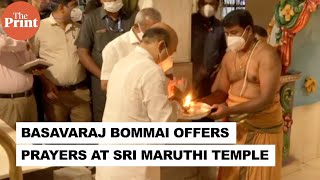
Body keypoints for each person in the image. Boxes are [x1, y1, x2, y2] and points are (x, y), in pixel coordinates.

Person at [202, 10, 283, 180]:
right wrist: (198, 104)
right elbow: (221, 92)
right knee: (231, 175)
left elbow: (266, 99)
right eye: (227, 33)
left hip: (262, 127)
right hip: (236, 125)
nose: (230, 38)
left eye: (234, 33)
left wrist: (229, 111)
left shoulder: (267, 55)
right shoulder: (229, 57)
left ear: (249, 30)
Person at [96, 24, 180, 180]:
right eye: (171, 52)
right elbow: (164, 122)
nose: (169, 58)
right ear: (161, 45)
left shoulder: (122, 63)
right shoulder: (152, 71)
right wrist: (177, 104)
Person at [30, 0, 92, 122]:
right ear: (62, 7)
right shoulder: (39, 28)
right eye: (74, 5)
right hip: (54, 95)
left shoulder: (79, 28)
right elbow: (33, 61)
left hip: (81, 93)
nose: (77, 9)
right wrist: (46, 83)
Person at [75, 0, 136, 122]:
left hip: (129, 80)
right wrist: (104, 76)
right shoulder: (91, 18)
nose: (112, 1)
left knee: (129, 115)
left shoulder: (133, 17)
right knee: (103, 116)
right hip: (102, 83)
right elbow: (82, 53)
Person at [100, 7, 162, 91]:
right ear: (137, 26)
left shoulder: (158, 43)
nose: (153, 35)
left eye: (156, 31)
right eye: (149, 31)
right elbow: (105, 84)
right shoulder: (114, 47)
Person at [0, 0, 38, 129]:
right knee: (10, 145)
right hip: (8, 102)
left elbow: (29, 58)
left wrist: (36, 67)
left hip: (28, 98)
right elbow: (3, 44)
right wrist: (23, 42)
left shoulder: (20, 35)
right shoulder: (10, 38)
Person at [192, 0, 227, 100]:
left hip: (211, 76)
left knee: (208, 105)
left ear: (217, 6)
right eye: (204, 3)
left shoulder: (219, 26)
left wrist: (219, 67)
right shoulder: (190, 22)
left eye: (212, 3)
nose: (208, 7)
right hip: (192, 74)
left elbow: (222, 49)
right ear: (199, 4)